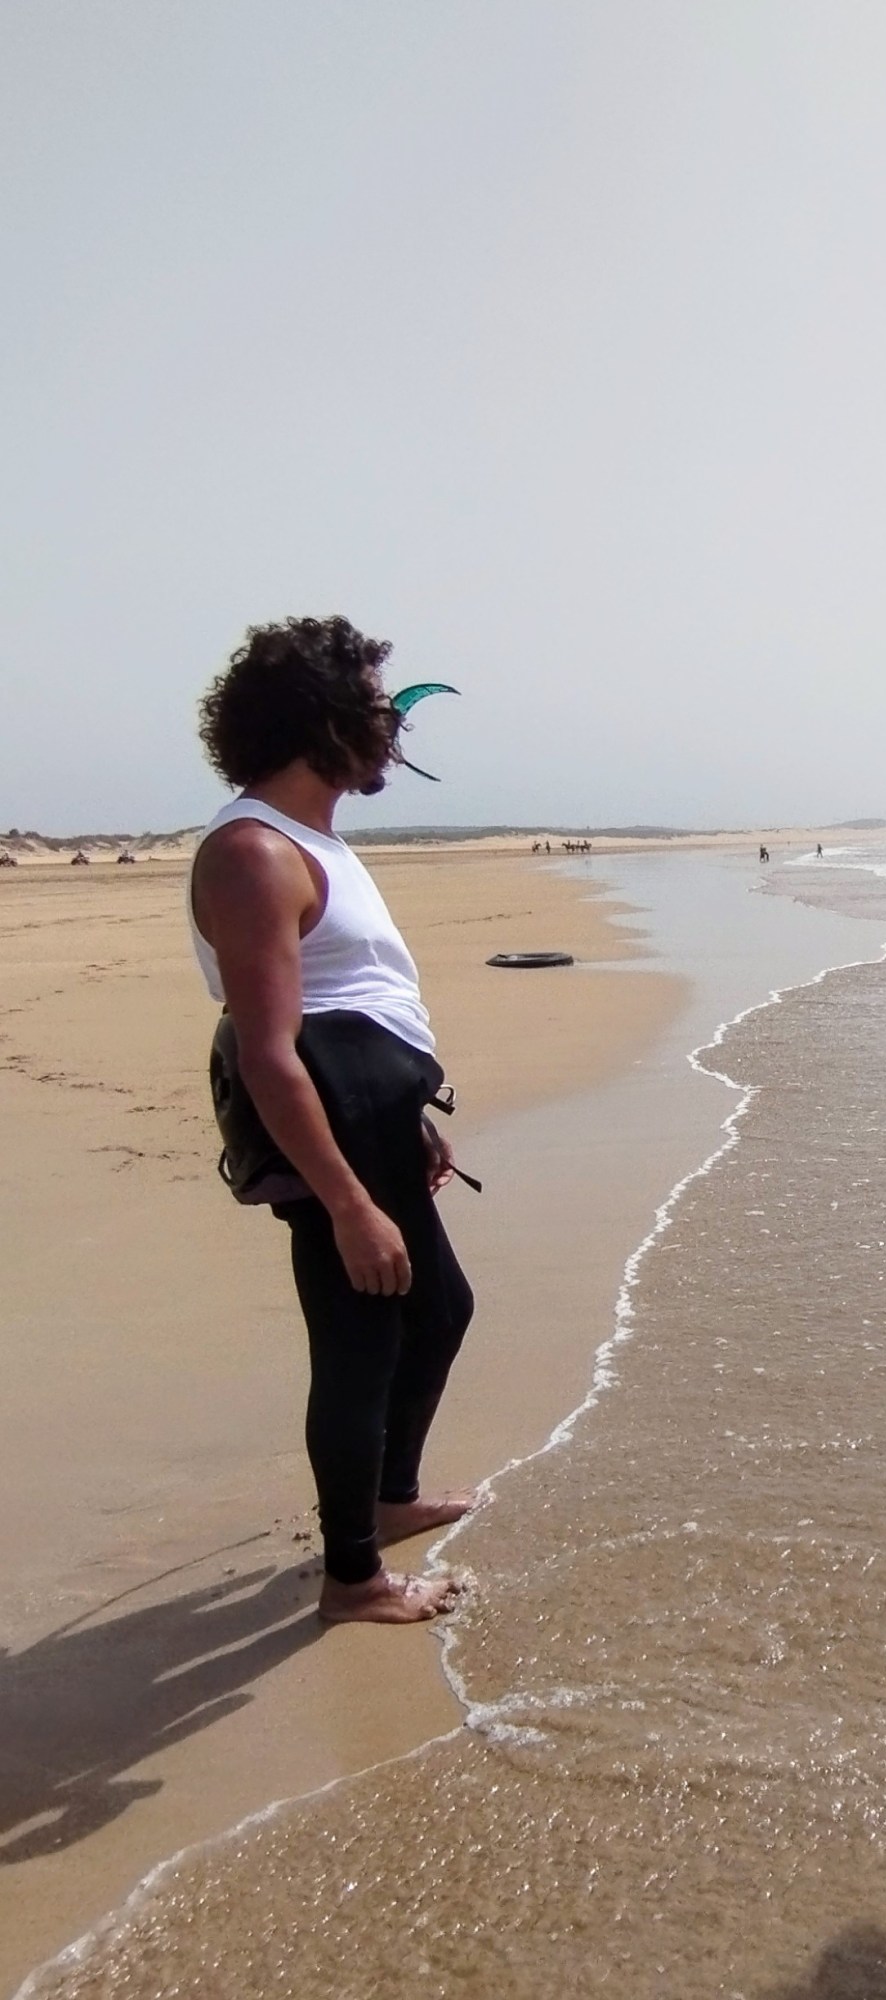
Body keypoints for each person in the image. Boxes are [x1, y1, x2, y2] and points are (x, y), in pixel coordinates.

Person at [190, 616, 476, 1625]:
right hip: (329, 1131)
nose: (393, 728)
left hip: (374, 1112)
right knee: (359, 1345)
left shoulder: (315, 839)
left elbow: (359, 995)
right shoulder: (251, 853)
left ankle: (389, 1497)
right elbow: (270, 1048)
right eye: (376, 708)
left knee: (437, 1310)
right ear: (320, 720)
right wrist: (348, 1201)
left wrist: (412, 1124)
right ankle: (352, 1577)